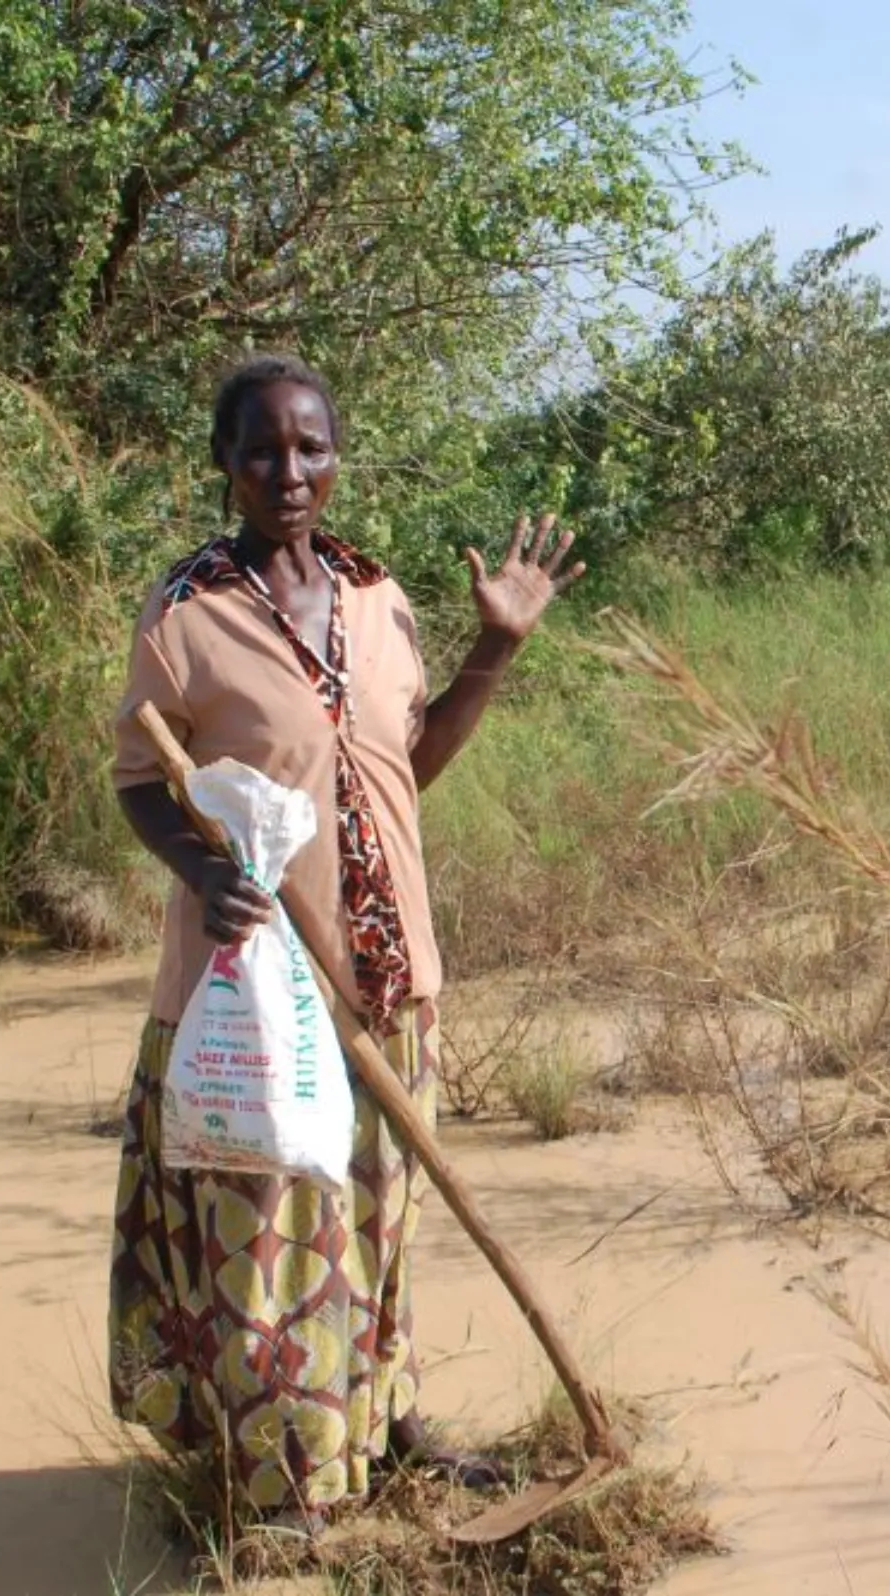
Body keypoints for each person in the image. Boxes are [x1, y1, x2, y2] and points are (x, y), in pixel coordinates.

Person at [105, 353, 581, 1529]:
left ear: (337, 456)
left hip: (387, 973)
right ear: (224, 466)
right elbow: (139, 780)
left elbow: (402, 774)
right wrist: (204, 869)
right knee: (266, 1237)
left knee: (379, 1216)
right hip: (256, 991)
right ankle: (278, 1482)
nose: (289, 471)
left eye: (310, 447)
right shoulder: (188, 613)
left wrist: (498, 648)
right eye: (261, 449)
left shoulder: (379, 599)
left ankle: (389, 1425)